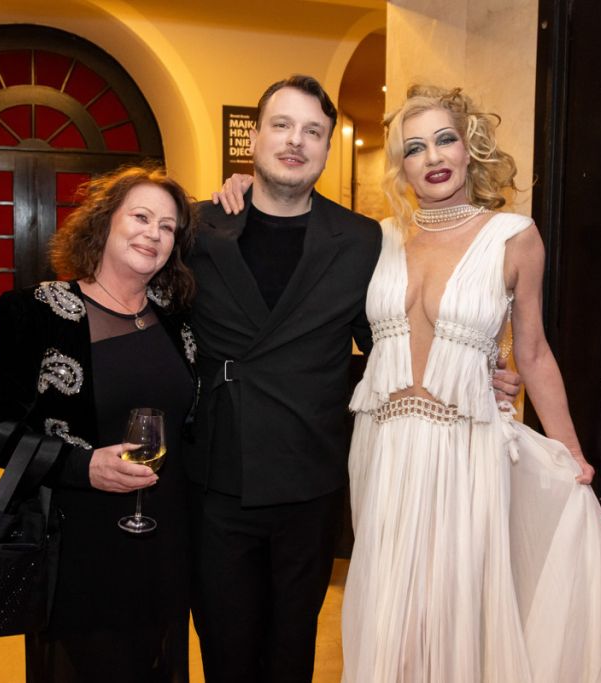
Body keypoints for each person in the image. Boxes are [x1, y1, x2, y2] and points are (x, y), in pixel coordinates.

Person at [201, 76, 523, 683]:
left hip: (311, 474)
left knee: (293, 646)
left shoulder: (360, 239)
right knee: (225, 647)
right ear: (255, 137)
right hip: (217, 473)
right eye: (281, 125)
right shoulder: (201, 227)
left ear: (328, 148)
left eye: (312, 131)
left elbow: (389, 336)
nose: (295, 141)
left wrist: (480, 369)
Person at [340, 86, 601, 682]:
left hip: (464, 450)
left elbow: (533, 352)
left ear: (470, 149)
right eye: (415, 147)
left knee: (454, 612)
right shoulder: (378, 239)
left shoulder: (514, 236)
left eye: (446, 139)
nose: (433, 156)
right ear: (402, 165)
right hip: (383, 448)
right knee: (389, 620)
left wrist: (570, 449)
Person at [0, 164, 199, 683]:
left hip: (166, 539)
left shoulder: (175, 314)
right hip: (77, 542)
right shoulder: (34, 312)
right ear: (103, 222)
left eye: (167, 227)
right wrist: (80, 466)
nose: (154, 233)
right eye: (140, 217)